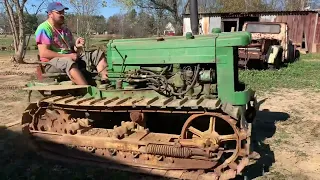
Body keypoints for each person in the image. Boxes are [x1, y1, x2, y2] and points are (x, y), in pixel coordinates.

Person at [35, 2, 108, 85]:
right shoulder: (44, 29)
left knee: (97, 54)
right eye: (59, 12)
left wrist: (77, 47)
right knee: (69, 62)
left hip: (68, 58)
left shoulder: (65, 29)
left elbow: (71, 49)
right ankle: (86, 90)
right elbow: (44, 53)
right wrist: (68, 56)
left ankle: (105, 83)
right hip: (51, 63)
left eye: (63, 12)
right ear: (50, 14)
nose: (62, 15)